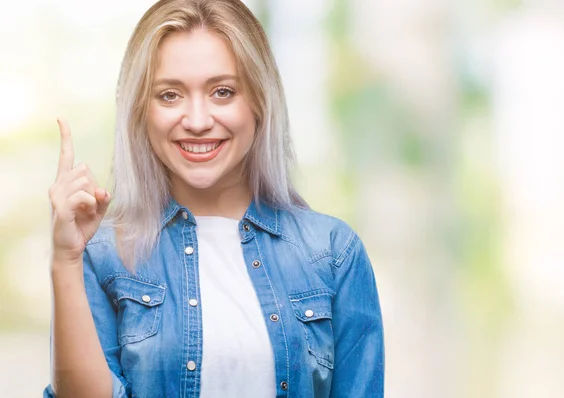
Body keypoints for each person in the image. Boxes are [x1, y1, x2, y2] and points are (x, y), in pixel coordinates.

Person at [44, 0, 384, 397]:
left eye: (223, 92)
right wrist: (64, 261)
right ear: (141, 110)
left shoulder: (332, 253)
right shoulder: (101, 255)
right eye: (169, 95)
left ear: (258, 100)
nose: (199, 120)